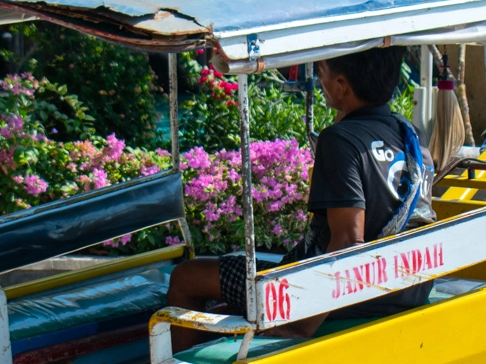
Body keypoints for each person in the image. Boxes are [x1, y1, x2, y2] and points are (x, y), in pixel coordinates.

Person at [165, 46, 434, 344]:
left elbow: (348, 242)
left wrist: (302, 325)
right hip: (408, 285)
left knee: (186, 277)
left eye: (322, 72)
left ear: (341, 86)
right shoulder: (410, 134)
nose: (319, 81)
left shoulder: (341, 140)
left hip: (353, 293)